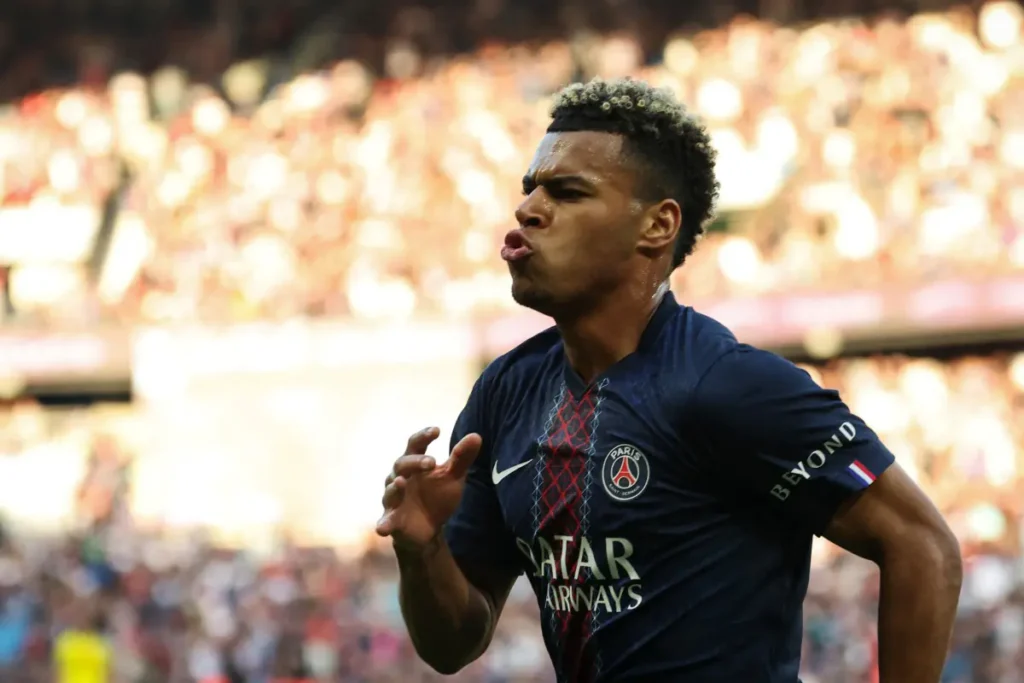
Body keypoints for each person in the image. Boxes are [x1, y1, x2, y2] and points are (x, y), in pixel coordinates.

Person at [376, 78, 962, 682]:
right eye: (530, 189)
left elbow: (922, 545)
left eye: (568, 192)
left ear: (657, 225)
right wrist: (422, 549)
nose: (529, 209)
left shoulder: (729, 385)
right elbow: (454, 643)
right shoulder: (506, 393)